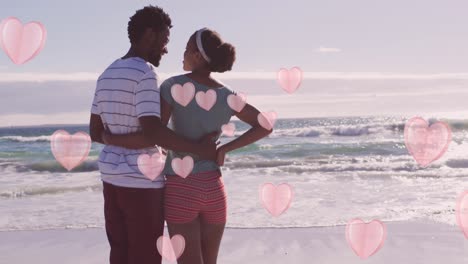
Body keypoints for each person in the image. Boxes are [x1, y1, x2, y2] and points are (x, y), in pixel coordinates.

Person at [103, 27, 272, 264]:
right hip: (214, 188)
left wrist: (111, 139)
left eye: (186, 49)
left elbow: (154, 133)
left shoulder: (172, 86)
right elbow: (265, 125)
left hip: (181, 189)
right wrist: (223, 149)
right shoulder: (227, 95)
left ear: (197, 55)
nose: (181, 54)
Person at [89, 6, 217, 264]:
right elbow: (152, 133)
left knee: (120, 253)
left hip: (111, 178)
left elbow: (95, 131)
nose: (166, 48)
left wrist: (113, 140)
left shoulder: (106, 74)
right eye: (164, 40)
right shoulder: (145, 73)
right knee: (146, 255)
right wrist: (198, 148)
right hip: (140, 182)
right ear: (149, 34)